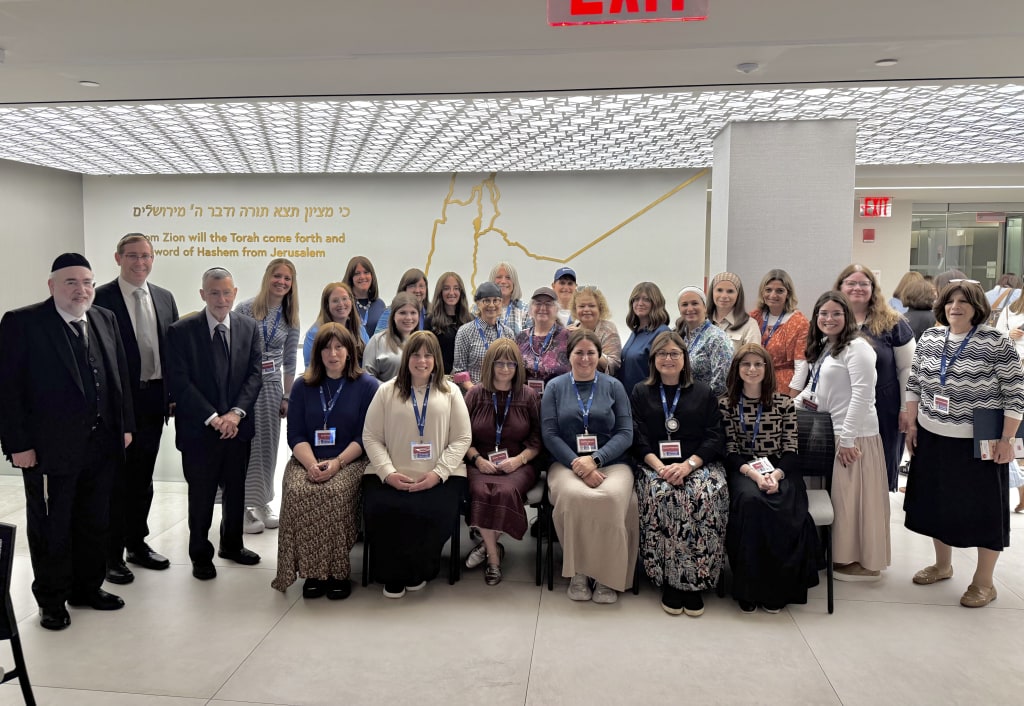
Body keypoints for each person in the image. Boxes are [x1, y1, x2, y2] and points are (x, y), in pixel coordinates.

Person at [0, 253, 134, 631]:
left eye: (88, 281)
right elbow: (8, 391)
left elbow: (117, 376)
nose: (82, 289)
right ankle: (51, 599)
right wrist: (18, 445)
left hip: (101, 446)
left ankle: (87, 588)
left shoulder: (103, 318)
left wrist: (123, 426)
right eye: (72, 282)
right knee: (51, 526)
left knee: (95, 521)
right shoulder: (23, 323)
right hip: (47, 450)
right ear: (52, 285)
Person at [904, 281, 1024, 607]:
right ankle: (943, 565)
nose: (955, 307)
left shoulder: (996, 341)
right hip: (932, 435)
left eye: (964, 301)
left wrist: (1007, 440)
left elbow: (1016, 394)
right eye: (950, 301)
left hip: (979, 442)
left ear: (977, 307)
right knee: (936, 505)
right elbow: (914, 382)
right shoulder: (931, 338)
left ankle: (984, 582)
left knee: (985, 511)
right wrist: (911, 424)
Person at [166, 267, 263, 581]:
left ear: (235, 293)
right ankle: (200, 554)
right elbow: (180, 382)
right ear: (202, 295)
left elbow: (254, 376)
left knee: (236, 492)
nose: (221, 299)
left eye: (226, 292)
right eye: (214, 292)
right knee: (202, 495)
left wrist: (235, 415)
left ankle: (232, 545)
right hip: (199, 430)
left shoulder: (250, 327)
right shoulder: (181, 331)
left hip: (238, 427)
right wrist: (213, 418)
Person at [93, 233, 178, 585]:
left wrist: (172, 396)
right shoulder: (101, 299)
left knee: (142, 479)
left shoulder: (163, 297)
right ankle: (110, 555)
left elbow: (172, 351)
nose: (139, 262)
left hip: (153, 399)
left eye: (145, 255)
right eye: (132, 255)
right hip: (118, 404)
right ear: (118, 258)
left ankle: (136, 544)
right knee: (116, 481)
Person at [361, 331, 471, 598]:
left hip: (440, 476)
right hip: (391, 474)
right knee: (385, 509)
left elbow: (462, 438)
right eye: (416, 354)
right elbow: (371, 437)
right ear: (406, 357)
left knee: (430, 510)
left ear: (436, 360)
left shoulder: (451, 391)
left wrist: (438, 473)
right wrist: (388, 474)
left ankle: (419, 569)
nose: (422, 361)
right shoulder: (386, 391)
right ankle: (391, 574)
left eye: (428, 355)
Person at [272, 324, 379, 599]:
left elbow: (366, 436)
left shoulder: (367, 386)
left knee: (333, 492)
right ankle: (312, 571)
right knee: (298, 491)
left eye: (339, 347)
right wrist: (310, 465)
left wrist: (337, 464)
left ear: (350, 351)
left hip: (350, 459)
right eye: (326, 347)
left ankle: (336, 571)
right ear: (317, 353)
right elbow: (295, 434)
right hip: (307, 458)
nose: (333, 353)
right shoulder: (302, 385)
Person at [630, 331, 727, 617]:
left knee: (704, 495)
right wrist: (660, 467)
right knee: (666, 495)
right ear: (653, 360)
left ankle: (697, 580)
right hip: (654, 465)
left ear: (685, 359)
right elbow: (637, 437)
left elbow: (715, 437)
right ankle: (670, 580)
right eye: (662, 354)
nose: (668, 358)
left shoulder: (703, 392)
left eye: (674, 353)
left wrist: (688, 465)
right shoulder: (640, 392)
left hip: (698, 464)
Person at [795, 291, 890, 582]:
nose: (829, 319)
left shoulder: (858, 348)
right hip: (827, 431)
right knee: (840, 499)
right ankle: (838, 554)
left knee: (853, 500)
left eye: (836, 313)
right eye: (823, 313)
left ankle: (861, 561)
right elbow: (816, 391)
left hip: (854, 435)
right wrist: (786, 406)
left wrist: (847, 439)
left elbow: (863, 395)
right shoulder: (827, 346)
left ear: (847, 316)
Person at [719, 343, 820, 613]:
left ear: (767, 369)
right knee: (752, 502)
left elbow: (790, 449)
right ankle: (749, 588)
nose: (752, 370)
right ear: (737, 369)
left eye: (758, 364)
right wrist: (754, 474)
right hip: (742, 468)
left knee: (783, 504)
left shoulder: (784, 403)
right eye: (746, 364)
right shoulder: (726, 404)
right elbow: (728, 450)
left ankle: (778, 589)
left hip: (778, 467)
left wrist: (774, 475)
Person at [542, 329, 636, 604]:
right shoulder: (555, 387)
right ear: (568, 356)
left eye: (590, 353)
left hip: (613, 462)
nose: (585, 358)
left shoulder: (614, 386)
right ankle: (579, 572)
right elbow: (550, 434)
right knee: (574, 497)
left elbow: (625, 432)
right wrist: (577, 463)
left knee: (608, 498)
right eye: (578, 352)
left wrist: (595, 460)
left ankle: (607, 575)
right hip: (565, 462)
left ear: (599, 356)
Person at [463, 339, 543, 585]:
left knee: (504, 490)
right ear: (490, 365)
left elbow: (538, 438)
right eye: (500, 363)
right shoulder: (475, 394)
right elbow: (460, 436)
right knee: (480, 489)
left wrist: (519, 460)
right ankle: (494, 556)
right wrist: (476, 459)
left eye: (511, 364)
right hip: (480, 461)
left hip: (518, 463)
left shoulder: (528, 396)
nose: (506, 369)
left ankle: (488, 552)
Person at [834, 264, 916, 492]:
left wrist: (904, 408)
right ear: (840, 287)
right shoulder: (831, 319)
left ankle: (876, 519)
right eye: (851, 283)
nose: (857, 288)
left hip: (884, 409)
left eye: (863, 283)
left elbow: (907, 369)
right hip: (840, 407)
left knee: (878, 470)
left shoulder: (893, 323)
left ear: (873, 288)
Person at [235, 258, 300, 534]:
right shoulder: (246, 308)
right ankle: (240, 507)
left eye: (287, 278)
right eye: (277, 276)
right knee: (243, 448)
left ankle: (261, 501)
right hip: (244, 386)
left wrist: (287, 396)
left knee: (268, 446)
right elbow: (234, 350)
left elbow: (289, 361)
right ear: (267, 277)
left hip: (272, 387)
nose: (281, 282)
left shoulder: (290, 315)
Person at [750, 269, 809, 395]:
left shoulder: (799, 322)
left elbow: (801, 367)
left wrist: (791, 402)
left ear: (788, 293)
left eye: (780, 291)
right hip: (754, 383)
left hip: (783, 388)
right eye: (768, 290)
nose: (773, 295)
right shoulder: (754, 317)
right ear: (762, 292)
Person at [452, 282, 516, 392]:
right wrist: (475, 392)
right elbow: (459, 371)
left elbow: (513, 367)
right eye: (486, 301)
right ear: (478, 303)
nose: (491, 305)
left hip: (502, 396)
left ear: (501, 303)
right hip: (474, 396)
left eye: (496, 300)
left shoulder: (508, 333)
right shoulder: (465, 331)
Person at [995, 292, 1024, 514]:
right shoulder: (1010, 310)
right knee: (1015, 433)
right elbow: (995, 337)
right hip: (1013, 371)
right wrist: (1008, 334)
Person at [674, 285, 733, 396]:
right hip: (683, 401)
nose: (690, 309)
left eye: (695, 303)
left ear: (705, 307)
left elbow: (721, 382)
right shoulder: (680, 336)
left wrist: (699, 401)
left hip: (707, 404)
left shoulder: (717, 338)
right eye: (684, 304)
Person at [618, 282, 671, 396]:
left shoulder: (662, 333)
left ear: (656, 303)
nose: (640, 303)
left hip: (648, 402)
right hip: (629, 401)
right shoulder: (635, 332)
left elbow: (667, 375)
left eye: (646, 299)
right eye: (636, 299)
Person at [516, 286, 570, 394]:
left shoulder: (568, 337)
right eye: (538, 303)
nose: (543, 308)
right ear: (531, 309)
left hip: (558, 400)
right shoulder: (521, 337)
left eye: (548, 304)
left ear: (556, 309)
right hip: (525, 402)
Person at [302, 281, 367, 368]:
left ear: (351, 301)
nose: (341, 304)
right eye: (335, 301)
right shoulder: (315, 333)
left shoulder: (359, 329)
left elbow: (369, 361)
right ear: (326, 305)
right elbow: (310, 368)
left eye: (344, 298)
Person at [363, 292, 421, 382]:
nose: (408, 318)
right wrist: (389, 390)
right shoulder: (377, 341)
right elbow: (367, 376)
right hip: (385, 395)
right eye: (402, 313)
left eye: (413, 313)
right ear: (393, 315)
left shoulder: (423, 342)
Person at [426, 272, 473, 375]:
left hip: (467, 380)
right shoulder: (430, 322)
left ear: (461, 292)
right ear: (440, 292)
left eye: (456, 288)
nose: (451, 292)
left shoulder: (471, 320)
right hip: (440, 380)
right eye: (446, 288)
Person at [567, 285, 621, 375]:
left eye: (591, 306)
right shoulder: (570, 330)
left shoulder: (608, 329)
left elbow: (613, 365)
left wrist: (583, 337)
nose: (586, 309)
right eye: (582, 306)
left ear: (600, 308)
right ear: (575, 309)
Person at [707, 272, 760, 347]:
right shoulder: (702, 322)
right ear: (712, 292)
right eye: (719, 290)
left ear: (738, 295)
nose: (724, 296)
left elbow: (753, 357)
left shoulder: (750, 325)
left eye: (730, 291)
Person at [374, 268, 429, 334]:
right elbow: (379, 339)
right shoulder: (390, 312)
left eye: (421, 286)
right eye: (412, 286)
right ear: (403, 288)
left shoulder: (431, 312)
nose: (417, 290)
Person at [344, 256, 386, 341]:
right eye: (357, 273)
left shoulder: (380, 304)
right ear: (350, 278)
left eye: (366, 272)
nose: (362, 277)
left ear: (372, 276)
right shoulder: (344, 304)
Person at [489, 261, 531, 336]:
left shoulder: (525, 310)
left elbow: (530, 341)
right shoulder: (480, 308)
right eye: (499, 277)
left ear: (514, 283)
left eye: (508, 277)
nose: (503, 281)